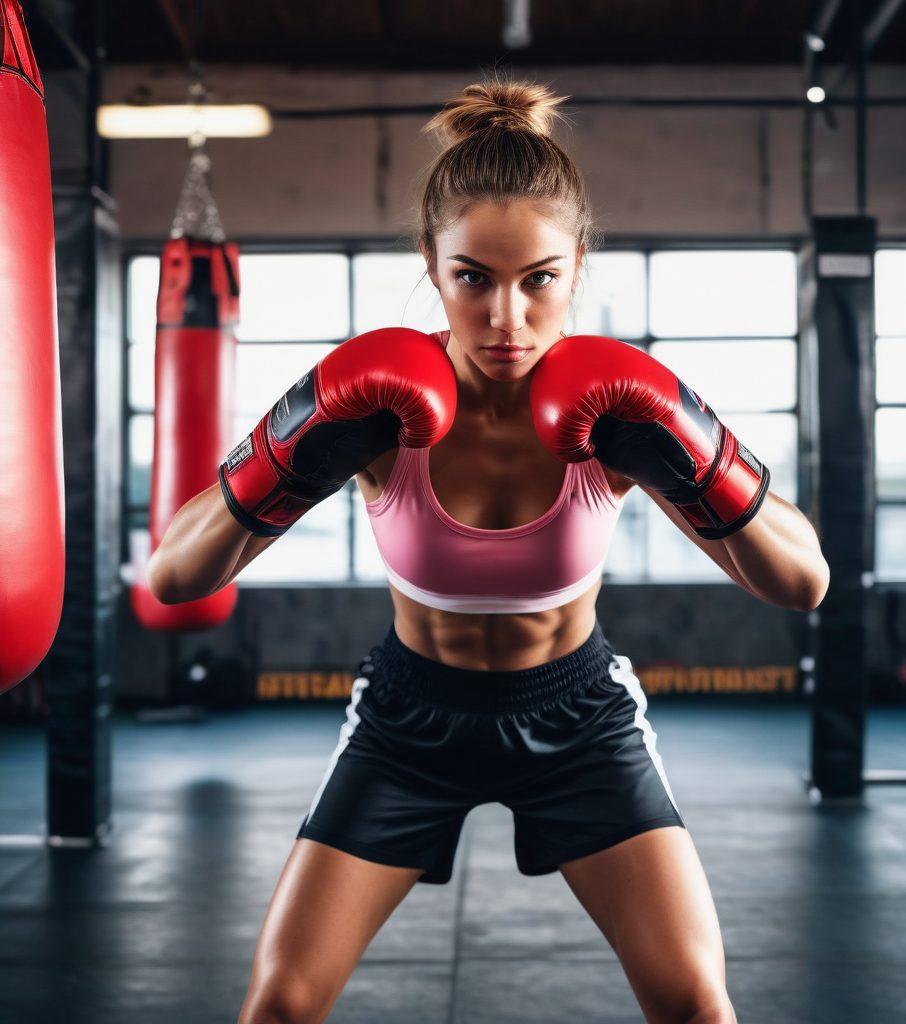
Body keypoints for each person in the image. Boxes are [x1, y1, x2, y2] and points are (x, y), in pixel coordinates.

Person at [148, 75, 829, 1024]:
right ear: (432, 263)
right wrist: (300, 436)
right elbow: (174, 573)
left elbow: (805, 580)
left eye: (538, 279)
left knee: (696, 1004)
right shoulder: (379, 406)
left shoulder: (618, 411)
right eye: (474, 277)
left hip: (580, 718)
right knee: (279, 1005)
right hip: (408, 722)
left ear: (578, 263)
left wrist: (689, 445)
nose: (507, 318)